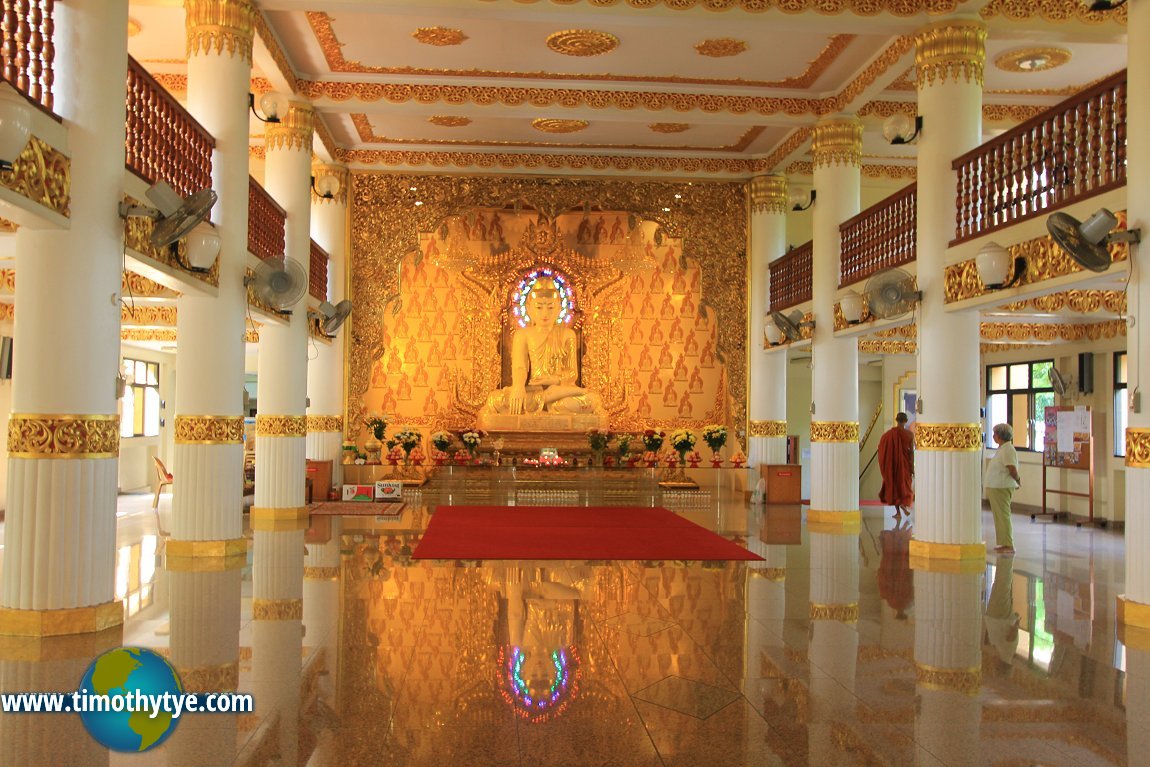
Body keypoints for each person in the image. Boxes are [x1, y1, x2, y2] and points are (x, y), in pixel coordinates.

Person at [483, 277, 603, 416]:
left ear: (559, 307)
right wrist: (518, 387)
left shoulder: (567, 334)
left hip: (561, 391)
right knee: (496, 400)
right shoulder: (523, 334)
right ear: (529, 308)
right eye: (539, 307)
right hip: (533, 390)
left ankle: (551, 398)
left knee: (591, 400)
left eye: (550, 307)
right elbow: (519, 367)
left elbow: (572, 373)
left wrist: (554, 381)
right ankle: (548, 399)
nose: (545, 313)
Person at [985, 423, 1021, 554]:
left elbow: (1011, 468)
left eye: (995, 434)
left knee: (1003, 515)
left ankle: (1008, 544)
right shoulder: (1002, 448)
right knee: (999, 516)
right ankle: (1003, 542)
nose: (993, 436)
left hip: (1002, 486)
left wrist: (1017, 479)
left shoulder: (1008, 450)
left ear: (1000, 436)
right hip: (996, 486)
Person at [877, 412, 915, 518]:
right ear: (906, 421)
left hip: (893, 466)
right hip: (905, 465)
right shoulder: (910, 435)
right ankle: (902, 508)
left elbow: (881, 448)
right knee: (903, 488)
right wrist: (912, 467)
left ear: (896, 420)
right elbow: (911, 452)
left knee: (895, 487)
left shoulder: (889, 434)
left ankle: (899, 511)